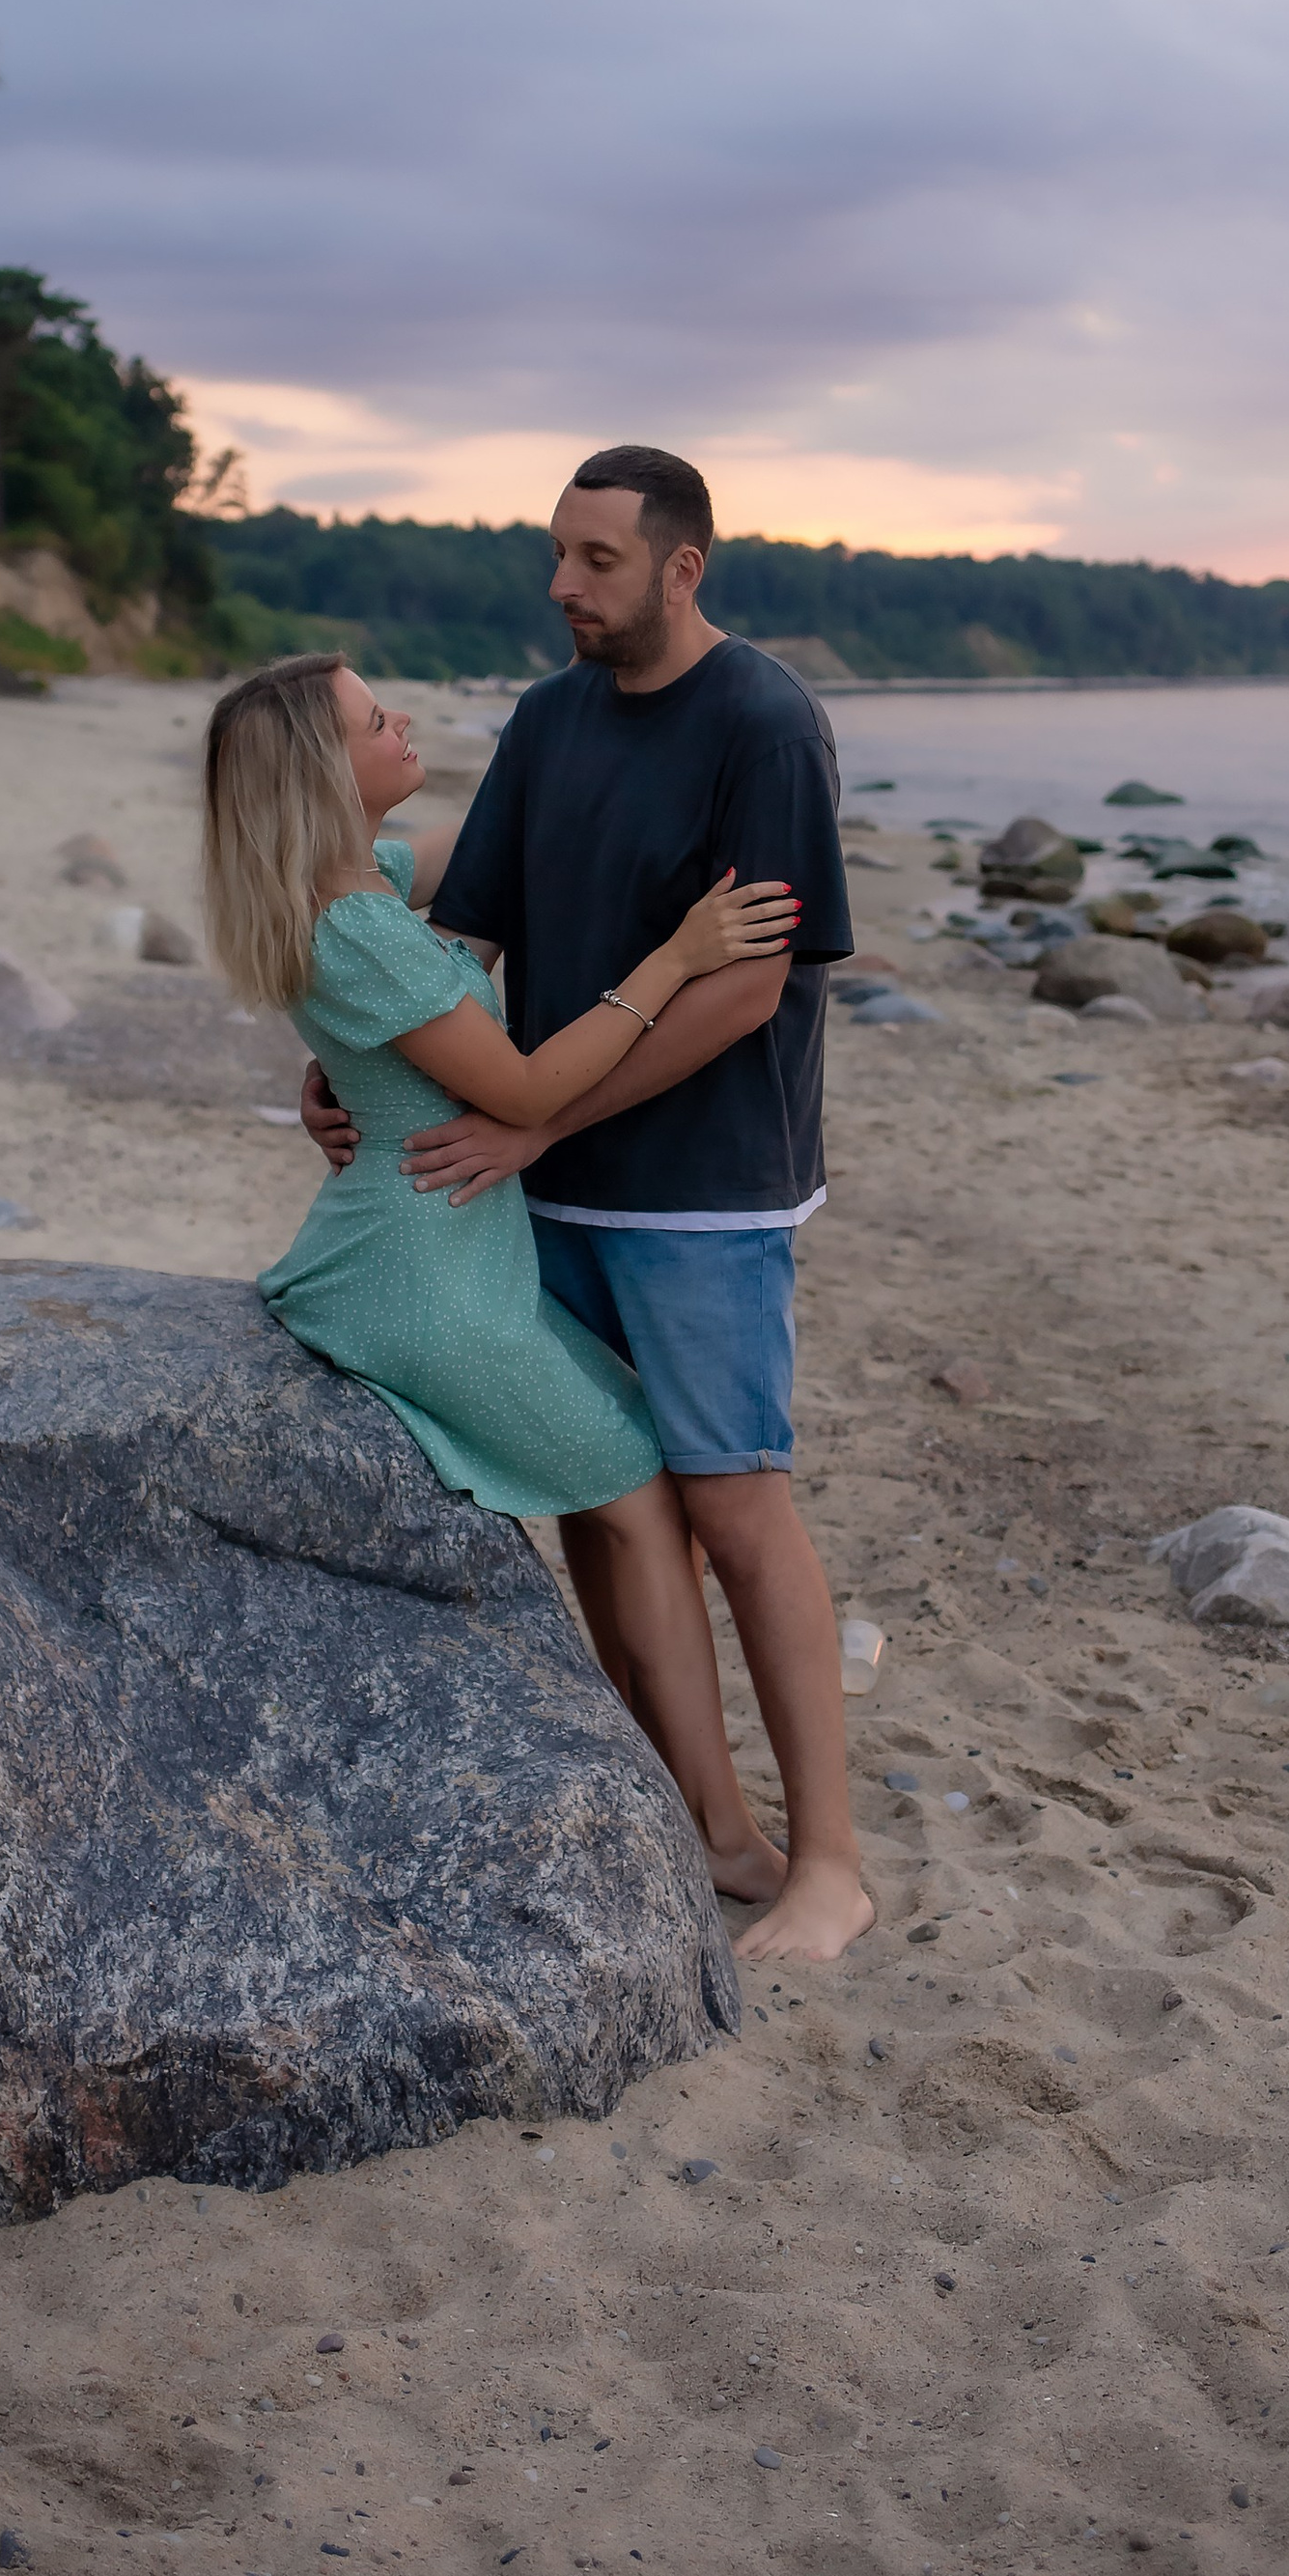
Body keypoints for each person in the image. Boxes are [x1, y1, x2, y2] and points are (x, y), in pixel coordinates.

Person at [300, 444, 875, 1968]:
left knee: (736, 1512)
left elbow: (748, 987)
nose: (565, 585)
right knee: (616, 1518)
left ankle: (828, 1864)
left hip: (702, 1195)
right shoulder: (548, 720)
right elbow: (463, 937)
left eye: (598, 561)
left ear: (683, 567)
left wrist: (525, 1117)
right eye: (557, 555)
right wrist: (367, 1075)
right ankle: (694, 1818)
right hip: (538, 1190)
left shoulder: (764, 720)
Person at [205, 647, 796, 1900]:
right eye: (377, 718)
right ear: (327, 770)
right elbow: (524, 1089)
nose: (404, 718)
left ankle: (673, 1787)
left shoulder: (365, 883)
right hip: (427, 1282)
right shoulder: (359, 928)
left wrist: (617, 720)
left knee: (628, 1493)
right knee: (641, 1494)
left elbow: (515, 813)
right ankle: (721, 1835)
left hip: (441, 1253)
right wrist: (682, 954)